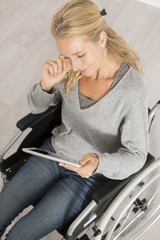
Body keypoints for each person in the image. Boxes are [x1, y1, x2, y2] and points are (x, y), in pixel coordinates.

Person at [0, 0, 148, 239]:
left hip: (86, 176)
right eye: (66, 56)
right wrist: (46, 86)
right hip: (53, 153)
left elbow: (136, 156)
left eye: (80, 54)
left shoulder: (131, 91)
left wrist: (99, 162)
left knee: (18, 236)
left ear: (101, 39)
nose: (75, 65)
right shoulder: (70, 66)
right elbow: (37, 108)